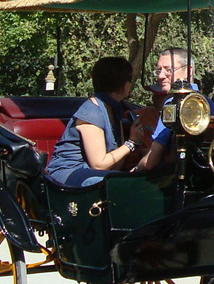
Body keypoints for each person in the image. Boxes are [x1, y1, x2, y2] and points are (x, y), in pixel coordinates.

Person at [46, 56, 170, 188]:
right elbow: (99, 164)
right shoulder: (92, 113)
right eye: (130, 80)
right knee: (119, 186)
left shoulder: (116, 109)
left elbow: (115, 165)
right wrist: (131, 143)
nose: (131, 85)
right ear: (121, 83)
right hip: (69, 173)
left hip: (97, 173)